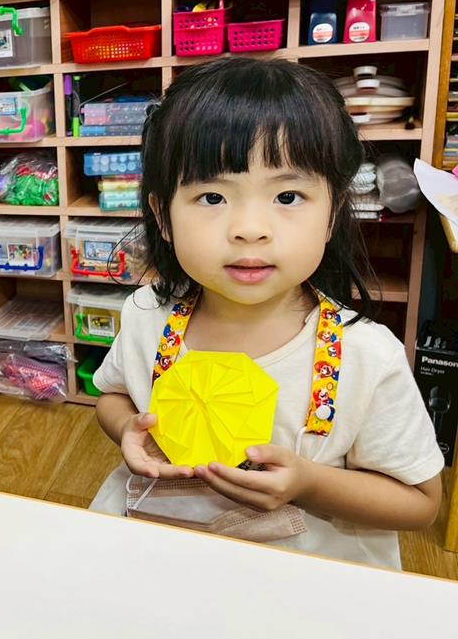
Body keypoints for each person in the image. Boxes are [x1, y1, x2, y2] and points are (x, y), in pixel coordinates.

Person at [90, 58, 441, 568]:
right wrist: (127, 429)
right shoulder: (147, 313)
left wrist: (309, 483)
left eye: (288, 196)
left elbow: (421, 502)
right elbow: (113, 397)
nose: (250, 228)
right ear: (163, 216)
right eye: (212, 196)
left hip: (301, 577)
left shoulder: (366, 355)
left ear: (333, 214)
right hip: (161, 554)